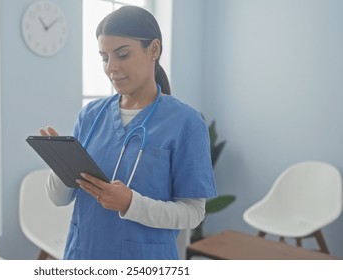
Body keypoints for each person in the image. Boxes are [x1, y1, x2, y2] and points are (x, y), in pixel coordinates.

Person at [40, 5, 216, 260]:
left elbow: (193, 213)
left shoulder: (186, 123)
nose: (111, 67)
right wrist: (58, 161)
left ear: (153, 49)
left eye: (122, 54)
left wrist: (131, 204)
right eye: (104, 57)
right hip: (84, 255)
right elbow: (59, 198)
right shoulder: (91, 115)